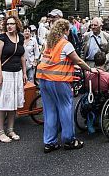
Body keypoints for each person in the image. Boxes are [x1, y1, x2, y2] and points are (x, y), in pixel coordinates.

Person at [36, 18, 96, 153]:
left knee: (49, 110)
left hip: (44, 80)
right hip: (59, 81)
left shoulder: (49, 44)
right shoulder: (65, 44)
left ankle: (49, 142)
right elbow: (78, 61)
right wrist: (90, 69)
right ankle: (69, 140)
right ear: (65, 30)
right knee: (65, 108)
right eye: (68, 30)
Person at [0, 15, 26, 143]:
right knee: (2, 103)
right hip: (5, 73)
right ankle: (0, 132)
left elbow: (22, 56)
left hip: (17, 73)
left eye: (12, 24)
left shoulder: (20, 37)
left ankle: (10, 129)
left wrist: (24, 73)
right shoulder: (2, 38)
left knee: (13, 103)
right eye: (7, 24)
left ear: (17, 25)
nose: (9, 26)